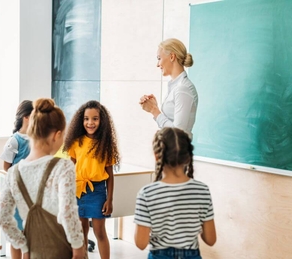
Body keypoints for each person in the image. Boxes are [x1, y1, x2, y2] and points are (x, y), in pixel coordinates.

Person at [0, 98, 84, 259]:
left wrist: (23, 246)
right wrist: (78, 247)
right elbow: (67, 212)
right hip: (62, 249)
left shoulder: (13, 172)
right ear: (56, 135)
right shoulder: (63, 167)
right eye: (63, 135)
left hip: (34, 251)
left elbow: (2, 218)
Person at [134, 127, 216, 259]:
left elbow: (140, 243)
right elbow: (210, 239)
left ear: (157, 156)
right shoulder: (202, 190)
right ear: (188, 157)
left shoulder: (146, 193)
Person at [63, 100, 120, 259]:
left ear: (102, 121)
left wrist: (109, 199)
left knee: (100, 231)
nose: (90, 122)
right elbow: (70, 169)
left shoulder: (106, 145)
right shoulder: (75, 142)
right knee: (81, 232)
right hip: (78, 191)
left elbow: (110, 175)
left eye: (95, 118)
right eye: (86, 119)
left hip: (98, 192)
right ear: (81, 121)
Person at [139, 38, 198, 139]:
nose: (157, 64)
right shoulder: (176, 87)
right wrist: (154, 107)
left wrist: (154, 110)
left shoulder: (183, 88)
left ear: (172, 57)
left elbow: (178, 133)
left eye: (159, 58)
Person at [0, 99, 33, 258]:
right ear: (26, 117)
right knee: (17, 234)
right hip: (17, 193)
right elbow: (6, 168)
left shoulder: (36, 139)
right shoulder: (15, 140)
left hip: (32, 194)